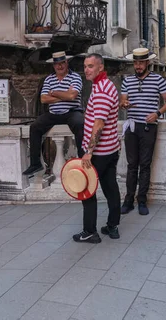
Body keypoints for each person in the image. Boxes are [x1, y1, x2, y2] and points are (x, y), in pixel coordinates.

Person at [73, 53, 121, 243]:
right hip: (111, 150)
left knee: (86, 190)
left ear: (100, 67)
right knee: (111, 188)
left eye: (90, 66)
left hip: (99, 154)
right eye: (85, 66)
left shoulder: (101, 90)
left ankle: (90, 232)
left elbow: (98, 124)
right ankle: (112, 226)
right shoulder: (107, 85)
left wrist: (88, 152)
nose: (86, 69)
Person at [120, 48, 166, 216]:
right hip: (131, 126)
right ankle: (128, 201)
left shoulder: (158, 79)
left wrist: (157, 113)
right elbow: (122, 100)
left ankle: (141, 200)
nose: (138, 65)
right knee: (131, 165)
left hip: (149, 127)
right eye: (135, 63)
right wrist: (125, 104)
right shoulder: (127, 81)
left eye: (141, 62)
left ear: (147, 63)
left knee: (145, 164)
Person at [23, 51, 84, 177]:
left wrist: (54, 93)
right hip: (53, 113)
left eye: (62, 63)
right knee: (34, 127)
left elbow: (72, 96)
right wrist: (64, 95)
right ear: (53, 65)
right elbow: (43, 99)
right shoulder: (49, 79)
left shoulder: (75, 77)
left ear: (66, 63)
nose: (59, 66)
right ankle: (35, 163)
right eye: (57, 64)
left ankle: (83, 158)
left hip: (71, 112)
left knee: (79, 123)